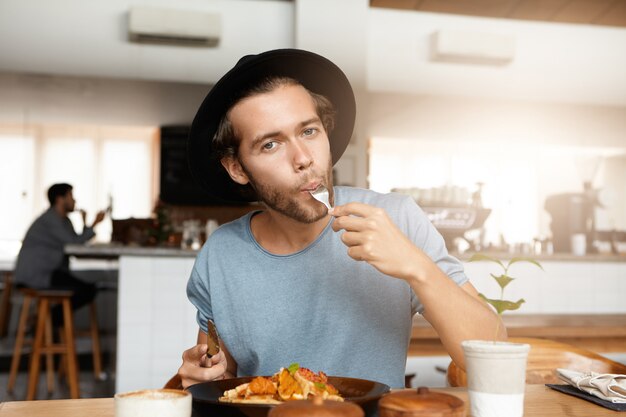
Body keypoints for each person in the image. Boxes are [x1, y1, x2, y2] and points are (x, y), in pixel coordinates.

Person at [179, 49, 506, 389]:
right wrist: (203, 376)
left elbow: (493, 356)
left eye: (308, 132)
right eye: (271, 145)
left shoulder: (397, 218)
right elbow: (222, 377)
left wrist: (415, 266)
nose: (304, 159)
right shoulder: (220, 254)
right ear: (236, 168)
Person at [14, 183, 106, 323]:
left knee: (88, 289)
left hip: (50, 272)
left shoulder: (64, 221)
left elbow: (75, 243)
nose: (74, 200)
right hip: (37, 275)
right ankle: (45, 321)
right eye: (71, 196)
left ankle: (46, 322)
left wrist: (85, 222)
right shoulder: (51, 219)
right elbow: (74, 243)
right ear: (60, 199)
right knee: (87, 290)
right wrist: (94, 223)